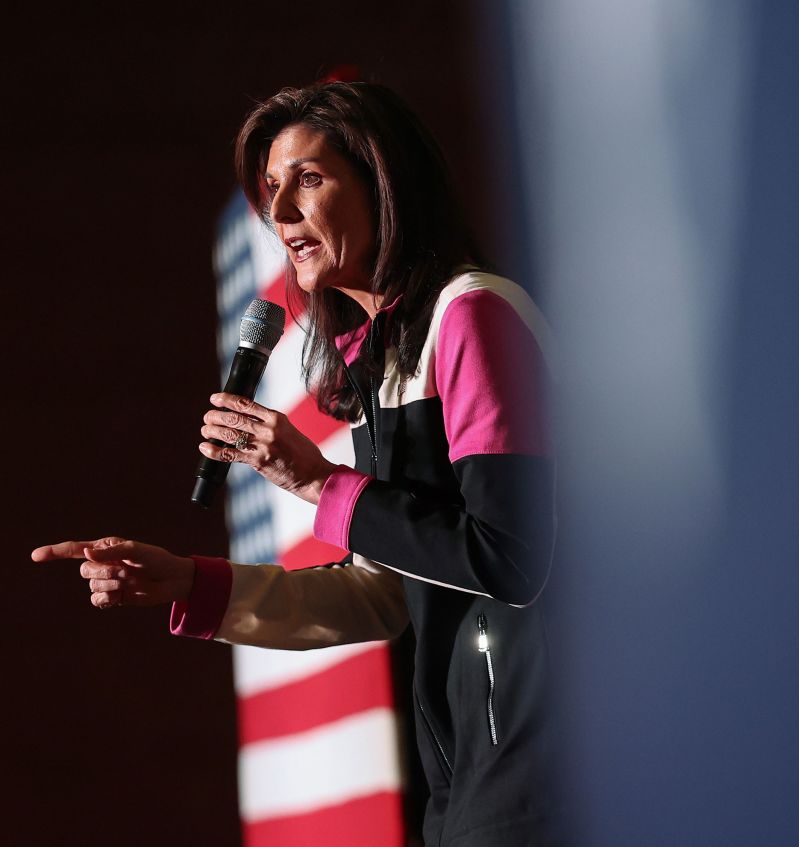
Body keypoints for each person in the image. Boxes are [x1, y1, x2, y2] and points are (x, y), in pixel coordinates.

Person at [31, 81, 559, 847]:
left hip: (539, 781)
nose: (279, 215)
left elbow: (511, 557)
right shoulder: (384, 365)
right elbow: (387, 593)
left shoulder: (472, 314)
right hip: (465, 793)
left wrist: (317, 482)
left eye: (307, 180)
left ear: (383, 180)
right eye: (271, 189)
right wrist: (190, 582)